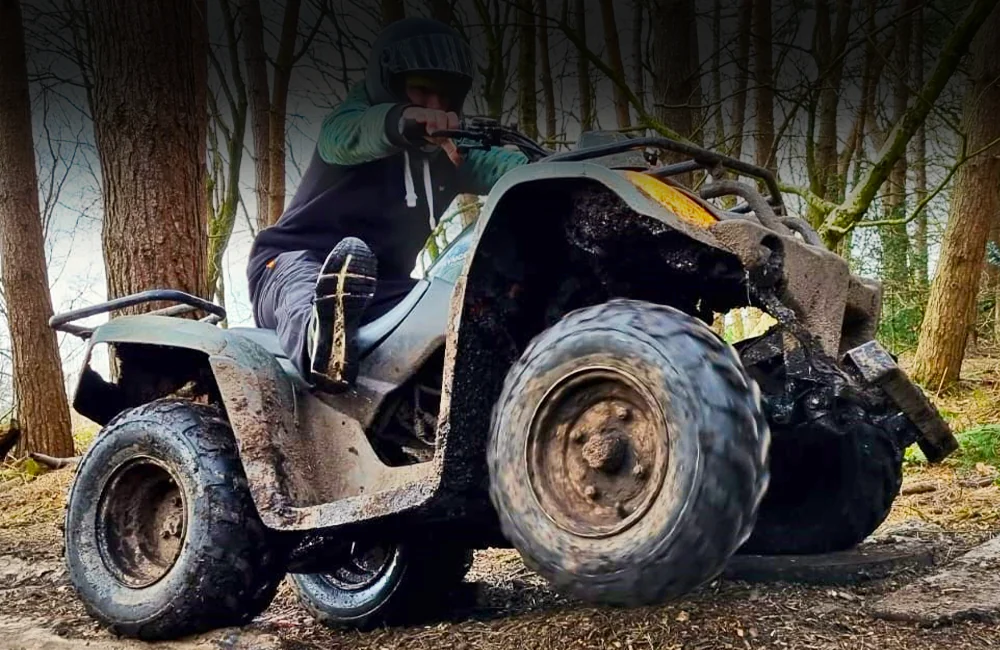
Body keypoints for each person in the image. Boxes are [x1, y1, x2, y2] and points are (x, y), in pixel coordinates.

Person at [246, 17, 527, 393]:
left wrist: (577, 166)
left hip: (381, 286)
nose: (435, 105)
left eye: (446, 97)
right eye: (421, 91)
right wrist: (406, 120)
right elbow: (344, 135)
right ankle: (320, 344)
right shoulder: (353, 126)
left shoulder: (454, 153)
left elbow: (508, 168)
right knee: (305, 283)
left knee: (455, 311)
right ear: (389, 87)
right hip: (285, 264)